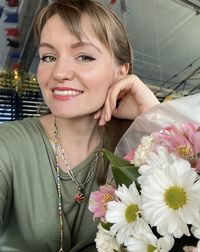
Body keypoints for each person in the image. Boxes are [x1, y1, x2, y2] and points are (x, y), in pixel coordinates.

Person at [0, 0, 159, 251]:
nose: (60, 72)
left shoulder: (141, 149)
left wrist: (154, 115)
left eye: (84, 56)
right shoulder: (6, 146)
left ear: (121, 73)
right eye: (49, 56)